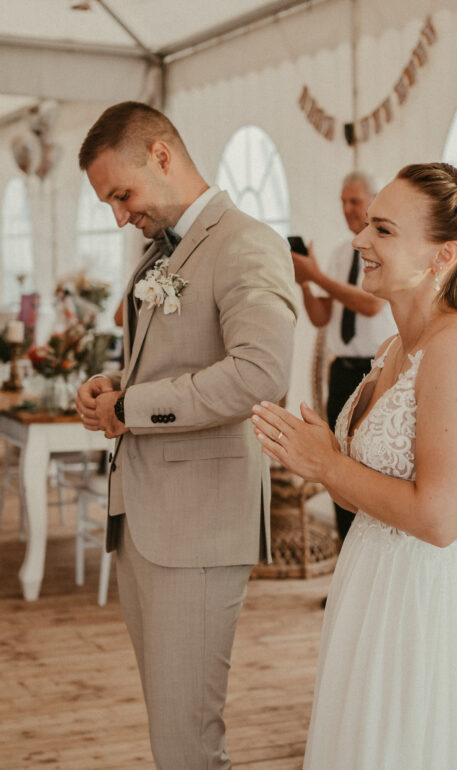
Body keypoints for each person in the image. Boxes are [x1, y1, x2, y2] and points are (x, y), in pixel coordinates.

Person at [251, 162, 457, 769]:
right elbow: (359, 498)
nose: (358, 241)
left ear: (442, 256)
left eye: (383, 230)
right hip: (369, 589)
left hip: (423, 605)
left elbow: (440, 518)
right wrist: (325, 461)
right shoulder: (394, 348)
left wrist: (328, 464)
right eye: (366, 224)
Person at [75, 101, 297, 770]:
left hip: (197, 526)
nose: (120, 215)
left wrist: (133, 407)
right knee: (172, 730)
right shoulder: (158, 256)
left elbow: (261, 374)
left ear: (163, 156)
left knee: (188, 742)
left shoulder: (247, 242)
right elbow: (179, 363)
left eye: (123, 193)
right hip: (147, 520)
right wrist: (114, 385)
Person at [291, 172, 395, 543]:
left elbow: (369, 306)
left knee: (368, 466)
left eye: (354, 201)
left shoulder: (385, 251)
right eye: (343, 201)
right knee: (336, 463)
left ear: (374, 201)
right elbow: (321, 317)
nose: (348, 209)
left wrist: (316, 274)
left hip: (377, 374)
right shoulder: (339, 254)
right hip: (341, 373)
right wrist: (305, 282)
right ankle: (344, 565)